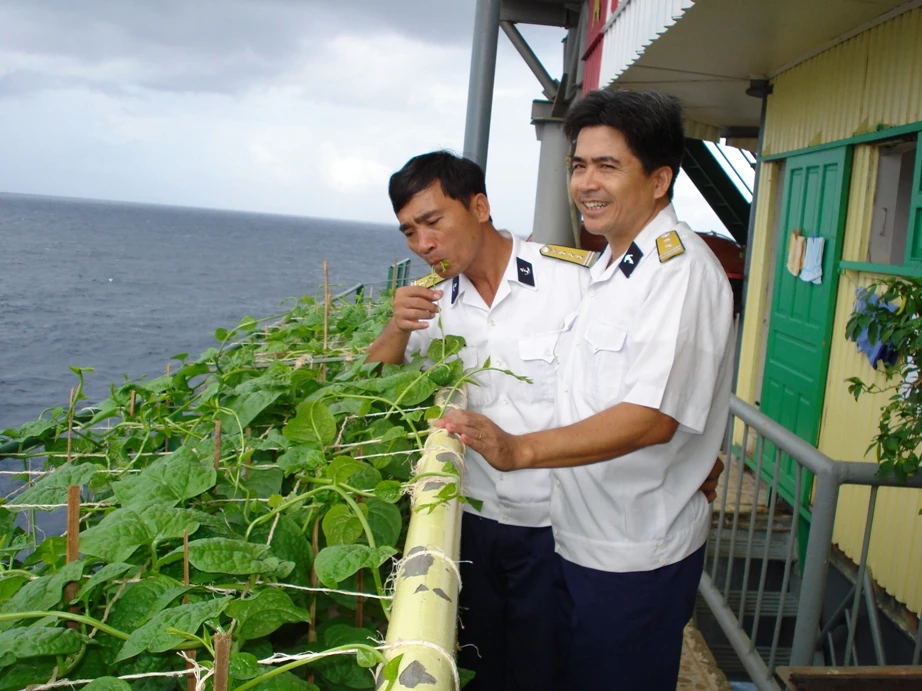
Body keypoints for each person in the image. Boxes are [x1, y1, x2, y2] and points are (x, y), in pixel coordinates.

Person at [435, 89, 735, 690]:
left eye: (608, 166)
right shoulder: (609, 268)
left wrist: (519, 449)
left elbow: (652, 417)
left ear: (659, 180)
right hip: (576, 540)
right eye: (578, 165)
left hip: (631, 556)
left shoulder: (679, 271)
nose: (586, 183)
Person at [366, 150, 590, 690]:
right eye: (409, 232)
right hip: (472, 519)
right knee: (478, 666)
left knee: (547, 668)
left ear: (480, 207)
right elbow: (370, 390)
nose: (423, 244)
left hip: (559, 521)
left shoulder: (573, 280)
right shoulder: (431, 303)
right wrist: (396, 328)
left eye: (432, 222)